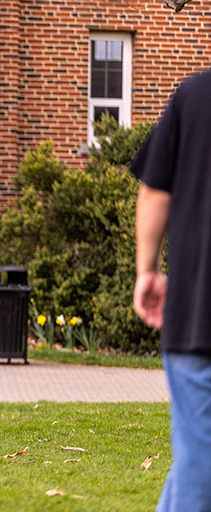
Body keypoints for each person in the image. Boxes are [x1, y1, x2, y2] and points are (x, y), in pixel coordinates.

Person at [131, 69, 211, 511]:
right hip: (196, 322)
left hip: (196, 316)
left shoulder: (195, 95)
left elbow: (155, 191)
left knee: (199, 461)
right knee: (200, 469)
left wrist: (147, 270)